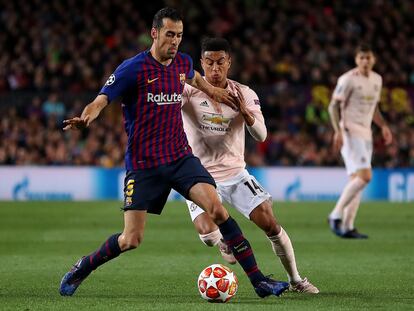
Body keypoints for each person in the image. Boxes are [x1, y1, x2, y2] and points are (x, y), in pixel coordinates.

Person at [59, 7, 289, 298]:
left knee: (218, 210)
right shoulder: (133, 69)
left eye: (179, 35)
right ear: (154, 34)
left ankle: (259, 282)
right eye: (170, 34)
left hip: (180, 157)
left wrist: (218, 93)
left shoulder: (182, 62)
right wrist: (86, 117)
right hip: (144, 165)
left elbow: (195, 79)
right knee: (131, 239)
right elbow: (102, 99)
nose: (175, 41)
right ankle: (84, 266)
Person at [181, 38, 319, 294]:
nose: (215, 68)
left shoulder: (244, 93)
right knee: (207, 234)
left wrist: (246, 114)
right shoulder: (189, 92)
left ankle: (296, 280)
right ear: (201, 63)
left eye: (220, 62)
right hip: (200, 176)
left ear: (229, 63)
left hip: (235, 173)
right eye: (209, 62)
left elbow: (262, 135)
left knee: (269, 221)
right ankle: (223, 240)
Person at [328, 44, 392, 238]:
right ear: (357, 60)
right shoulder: (347, 79)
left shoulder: (377, 80)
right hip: (349, 131)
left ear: (374, 60)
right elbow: (333, 107)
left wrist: (383, 126)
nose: (365, 61)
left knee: (357, 180)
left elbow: (374, 108)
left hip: (366, 133)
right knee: (365, 177)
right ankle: (335, 215)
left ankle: (347, 227)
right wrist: (337, 131)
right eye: (362, 57)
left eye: (368, 57)